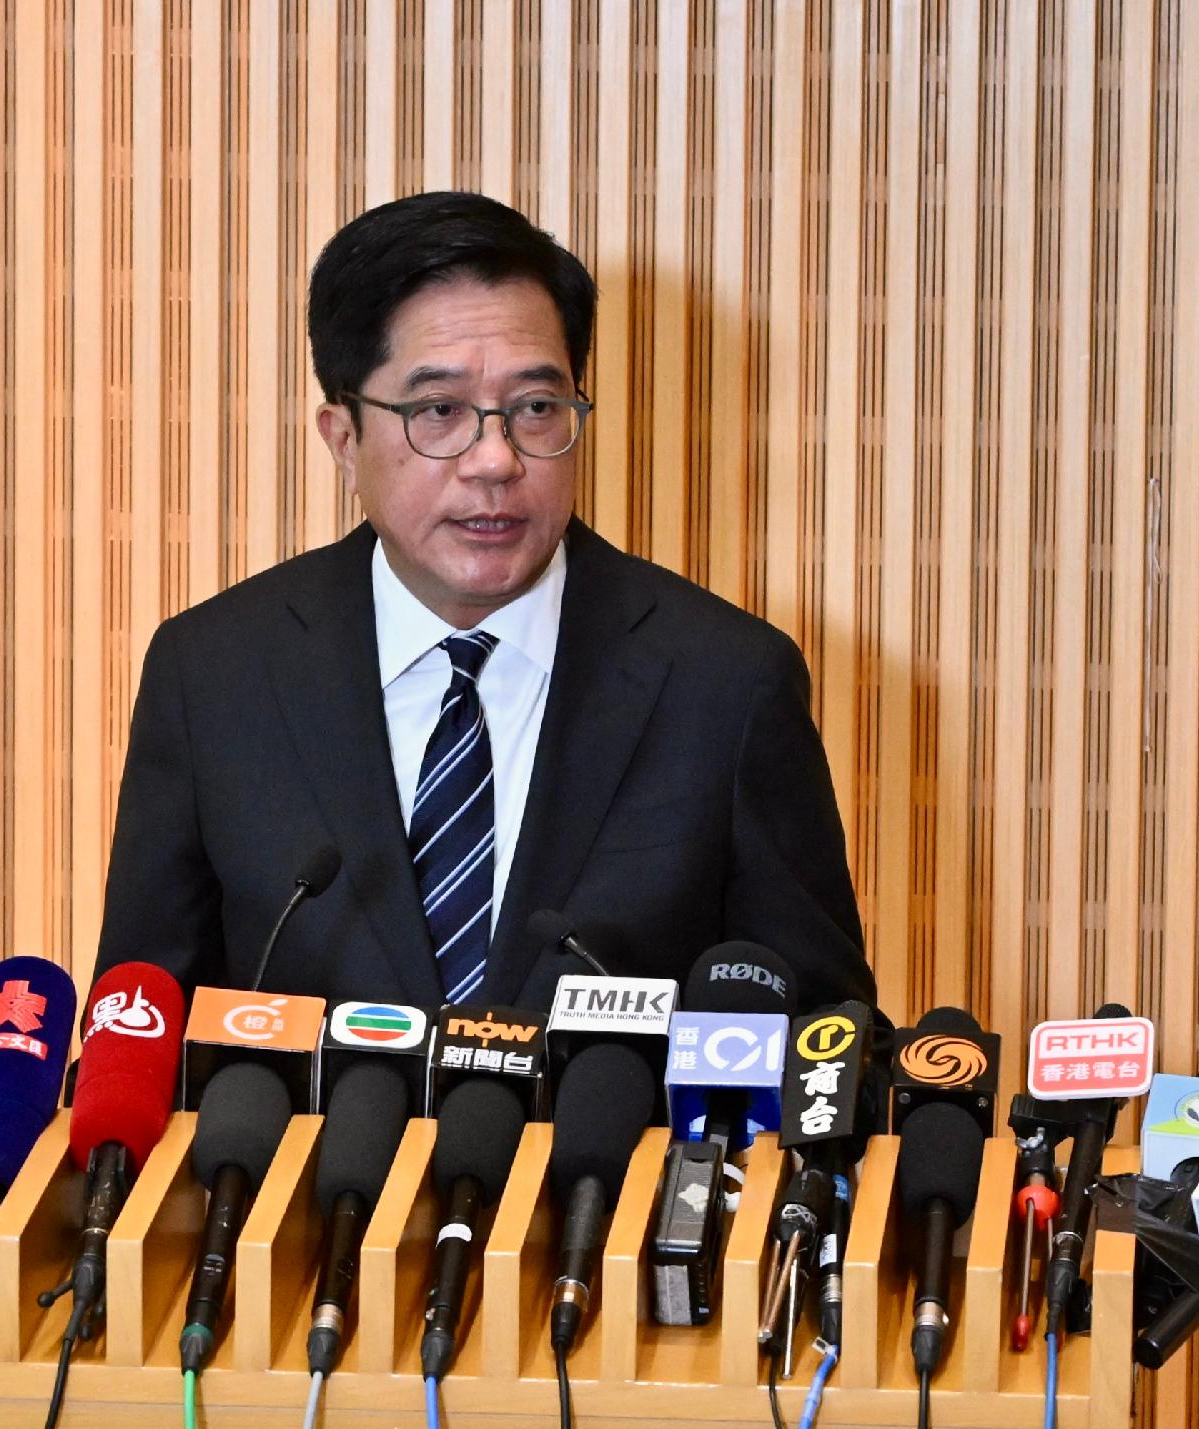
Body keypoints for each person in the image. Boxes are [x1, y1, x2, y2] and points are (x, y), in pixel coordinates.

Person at [95, 190, 870, 1011]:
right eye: (440, 410)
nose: (496, 461)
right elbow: (133, 1025)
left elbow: (825, 1038)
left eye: (536, 408)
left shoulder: (726, 684)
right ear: (344, 439)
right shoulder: (214, 676)